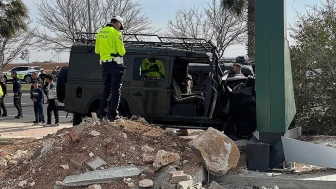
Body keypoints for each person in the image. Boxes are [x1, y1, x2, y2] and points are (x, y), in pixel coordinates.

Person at [95, 15, 126, 122]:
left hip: (104, 64)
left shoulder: (100, 32)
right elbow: (122, 52)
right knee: (116, 89)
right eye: (120, 25)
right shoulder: (116, 33)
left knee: (106, 90)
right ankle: (113, 115)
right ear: (117, 22)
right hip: (116, 64)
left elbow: (97, 51)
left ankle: (102, 114)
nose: (120, 27)